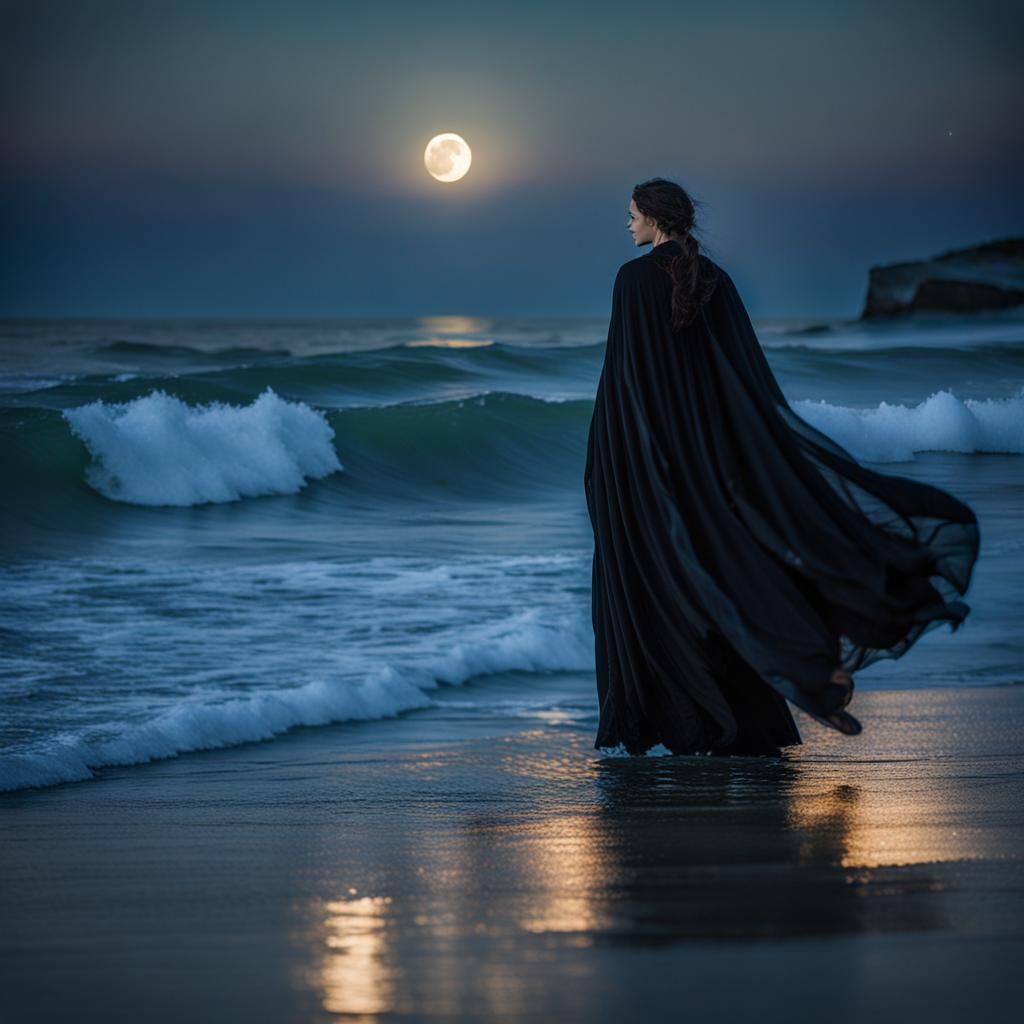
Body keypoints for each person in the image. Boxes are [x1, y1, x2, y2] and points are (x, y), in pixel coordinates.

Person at [584, 177, 981, 757]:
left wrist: (607, 460)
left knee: (667, 584)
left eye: (632, 214)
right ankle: (803, 677)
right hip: (713, 460)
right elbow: (742, 378)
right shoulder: (715, 279)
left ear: (655, 217)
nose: (627, 224)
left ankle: (693, 724)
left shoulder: (632, 279)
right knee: (734, 571)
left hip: (654, 465)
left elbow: (626, 380)